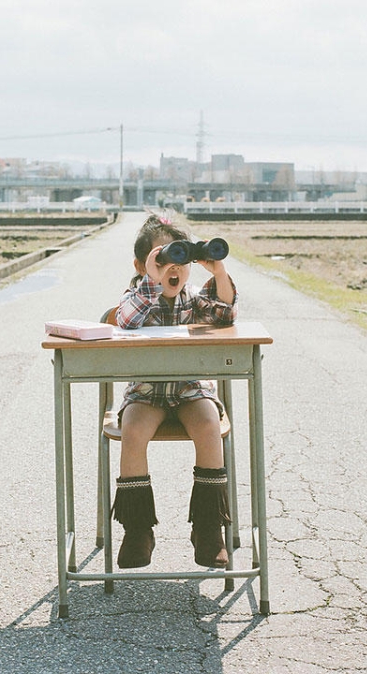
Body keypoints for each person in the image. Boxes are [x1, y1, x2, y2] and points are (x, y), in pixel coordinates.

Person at [112, 214, 238, 569]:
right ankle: (138, 529)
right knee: (133, 431)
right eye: (162, 258)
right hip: (146, 392)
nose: (172, 267)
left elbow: (225, 315)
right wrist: (151, 282)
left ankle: (209, 528)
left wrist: (218, 272)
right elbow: (125, 320)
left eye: (179, 257)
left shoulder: (193, 298)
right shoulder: (136, 297)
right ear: (141, 265)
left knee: (209, 424)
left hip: (189, 389)